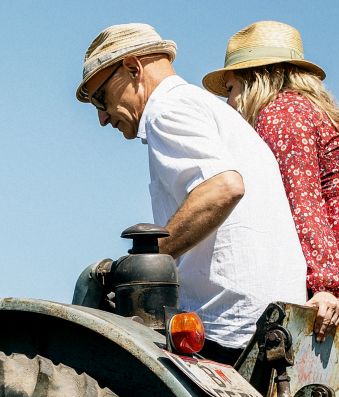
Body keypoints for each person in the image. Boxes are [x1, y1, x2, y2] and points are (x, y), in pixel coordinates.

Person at [76, 23, 307, 362]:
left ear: (132, 68)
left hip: (226, 326)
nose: (101, 117)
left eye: (100, 98)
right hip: (275, 320)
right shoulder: (211, 110)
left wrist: (148, 262)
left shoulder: (165, 110)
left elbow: (223, 187)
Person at [202, 20, 339, 329]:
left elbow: (303, 200)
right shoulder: (324, 115)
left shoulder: (281, 114)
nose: (230, 104)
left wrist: (325, 286)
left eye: (231, 89)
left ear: (257, 78)